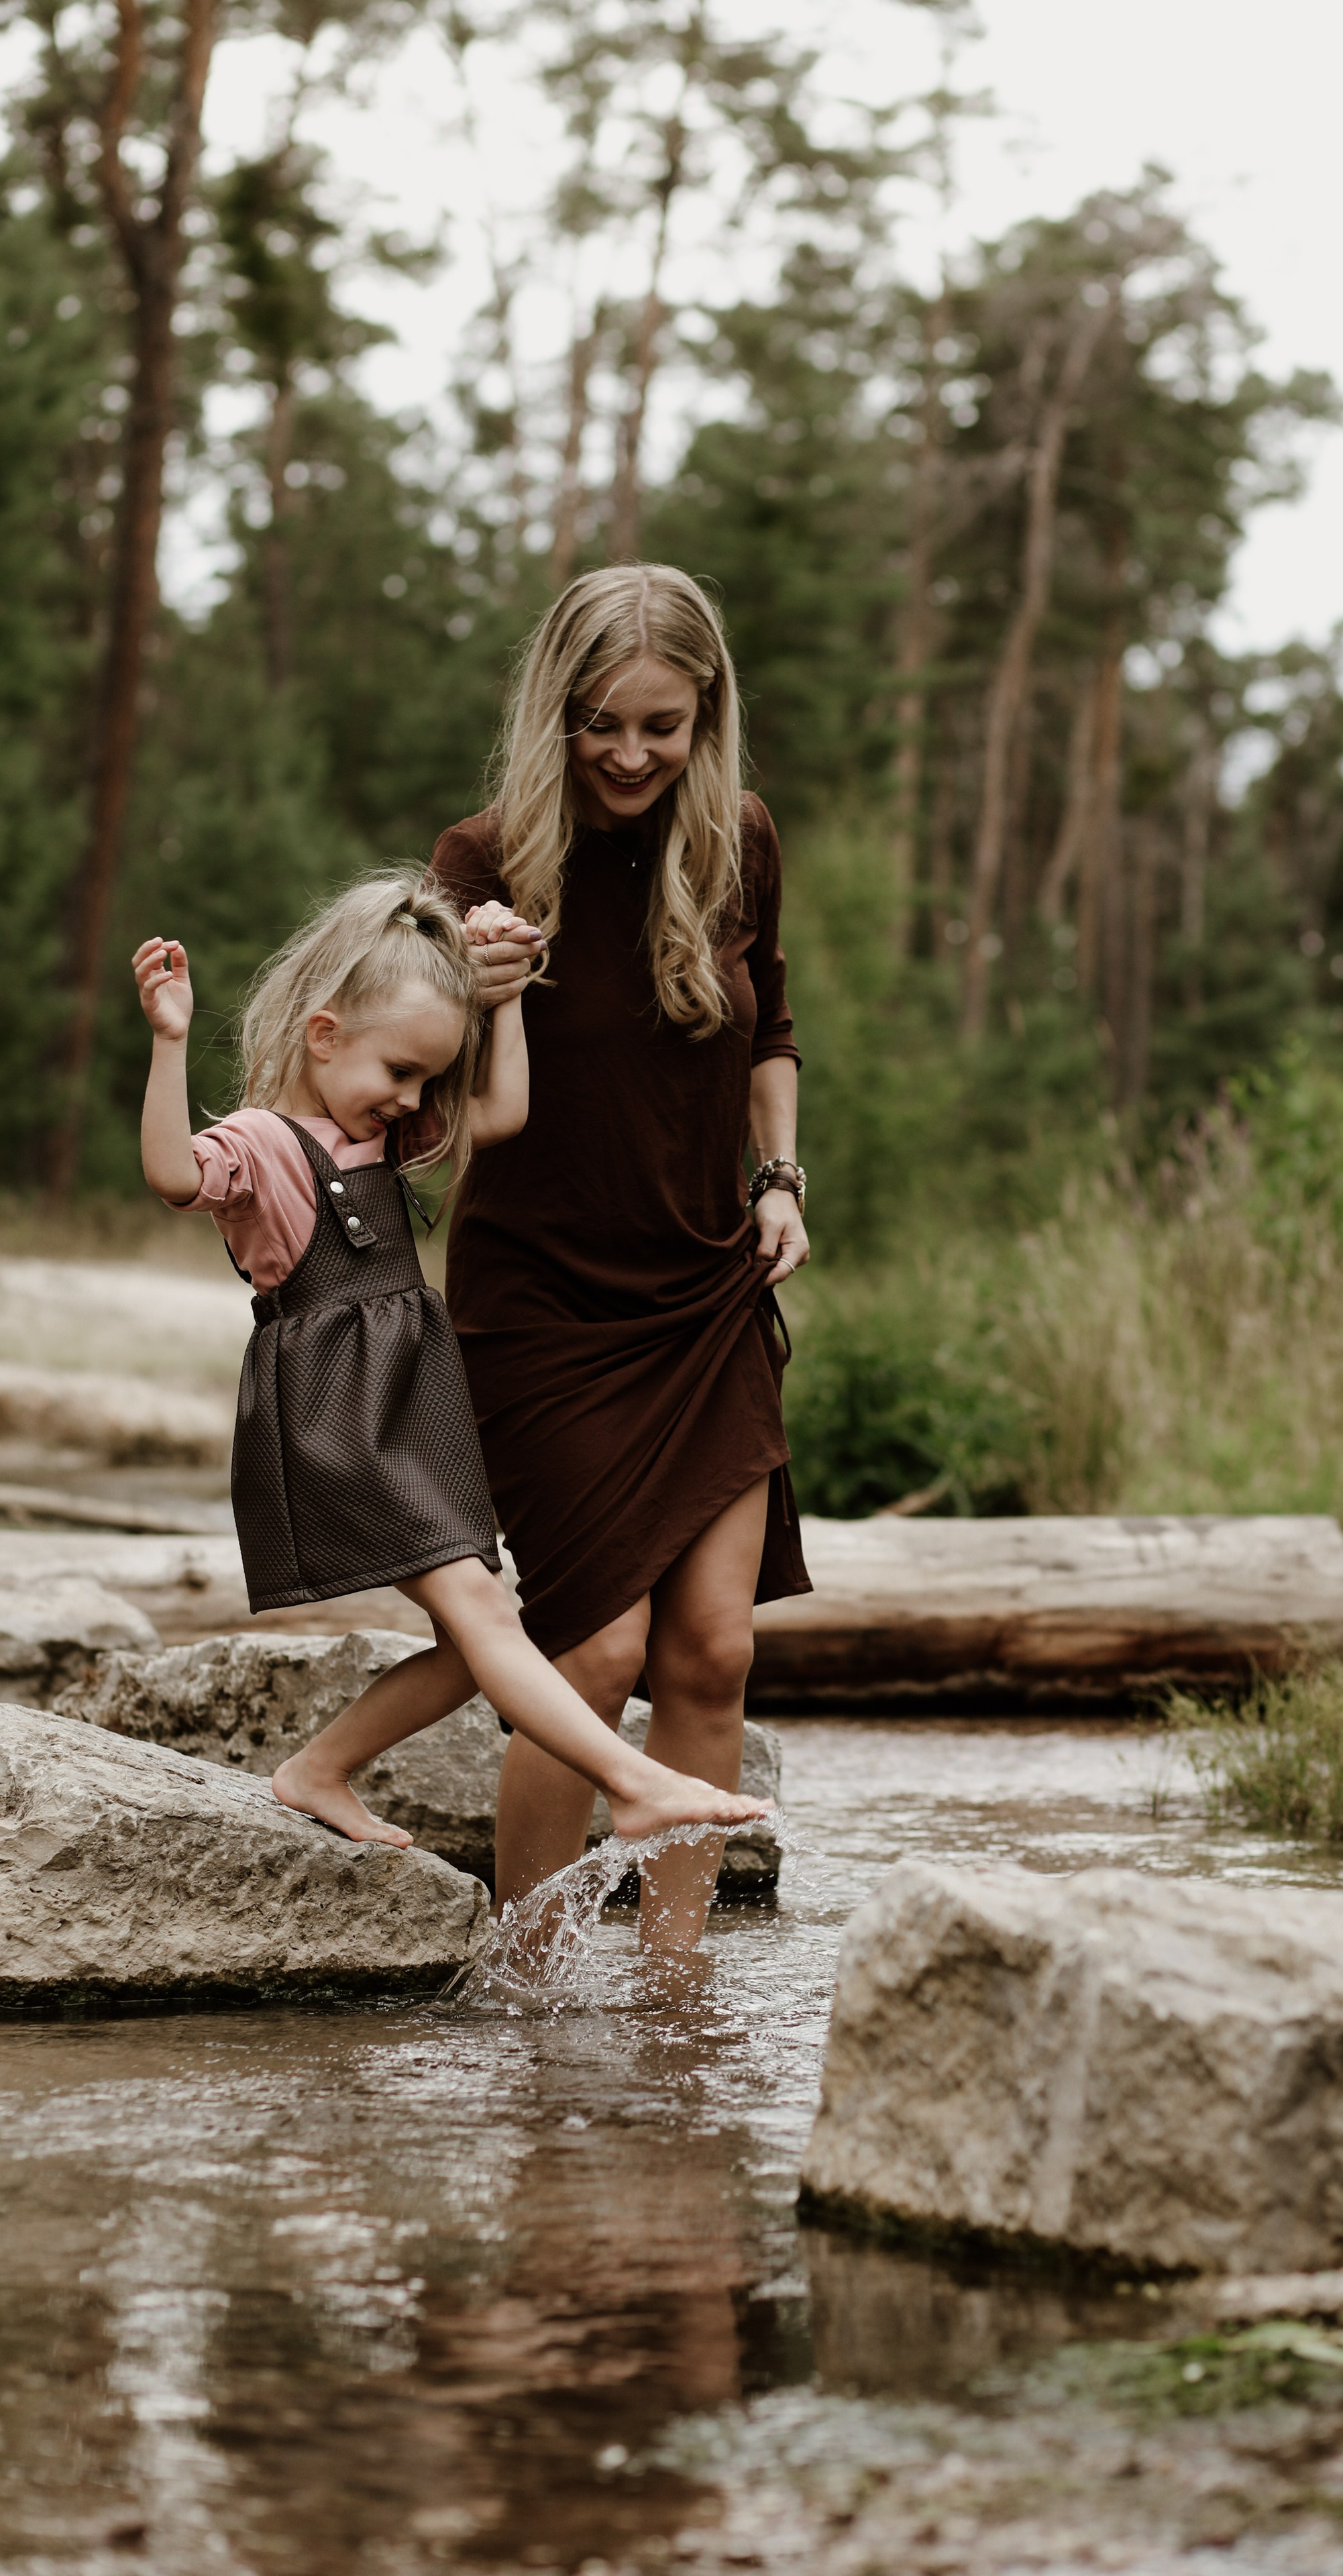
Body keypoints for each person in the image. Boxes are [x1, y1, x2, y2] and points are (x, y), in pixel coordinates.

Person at [130, 871, 772, 1858]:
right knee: (483, 1617)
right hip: (340, 1414)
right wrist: (171, 1039)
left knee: (475, 1645)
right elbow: (175, 1175)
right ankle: (630, 1781)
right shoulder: (262, 1142)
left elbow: (504, 1112)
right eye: (400, 1072)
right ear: (324, 1034)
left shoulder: (373, 1129)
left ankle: (317, 1770)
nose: (413, 1099)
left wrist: (503, 1001)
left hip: (409, 1409)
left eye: (428, 1079)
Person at [431, 564, 812, 1957]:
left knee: (714, 1649)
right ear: (557, 713)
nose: (636, 756)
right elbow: (443, 1106)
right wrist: (471, 994)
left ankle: (672, 2003)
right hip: (537, 1300)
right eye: (605, 725)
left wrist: (777, 1181)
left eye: (666, 725)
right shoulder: (481, 863)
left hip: (703, 1280)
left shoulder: (739, 840)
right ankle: (522, 1983)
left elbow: (768, 1026)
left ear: (706, 716)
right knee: (589, 1653)